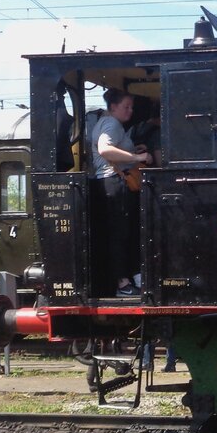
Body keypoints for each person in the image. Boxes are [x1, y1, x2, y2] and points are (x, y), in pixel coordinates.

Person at [90, 89, 152, 297]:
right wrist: (138, 158)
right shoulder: (111, 124)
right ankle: (123, 285)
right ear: (113, 107)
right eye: (126, 106)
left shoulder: (107, 123)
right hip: (115, 183)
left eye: (132, 107)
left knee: (124, 233)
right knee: (120, 235)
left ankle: (131, 279)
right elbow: (105, 149)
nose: (130, 111)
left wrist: (132, 152)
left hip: (111, 183)